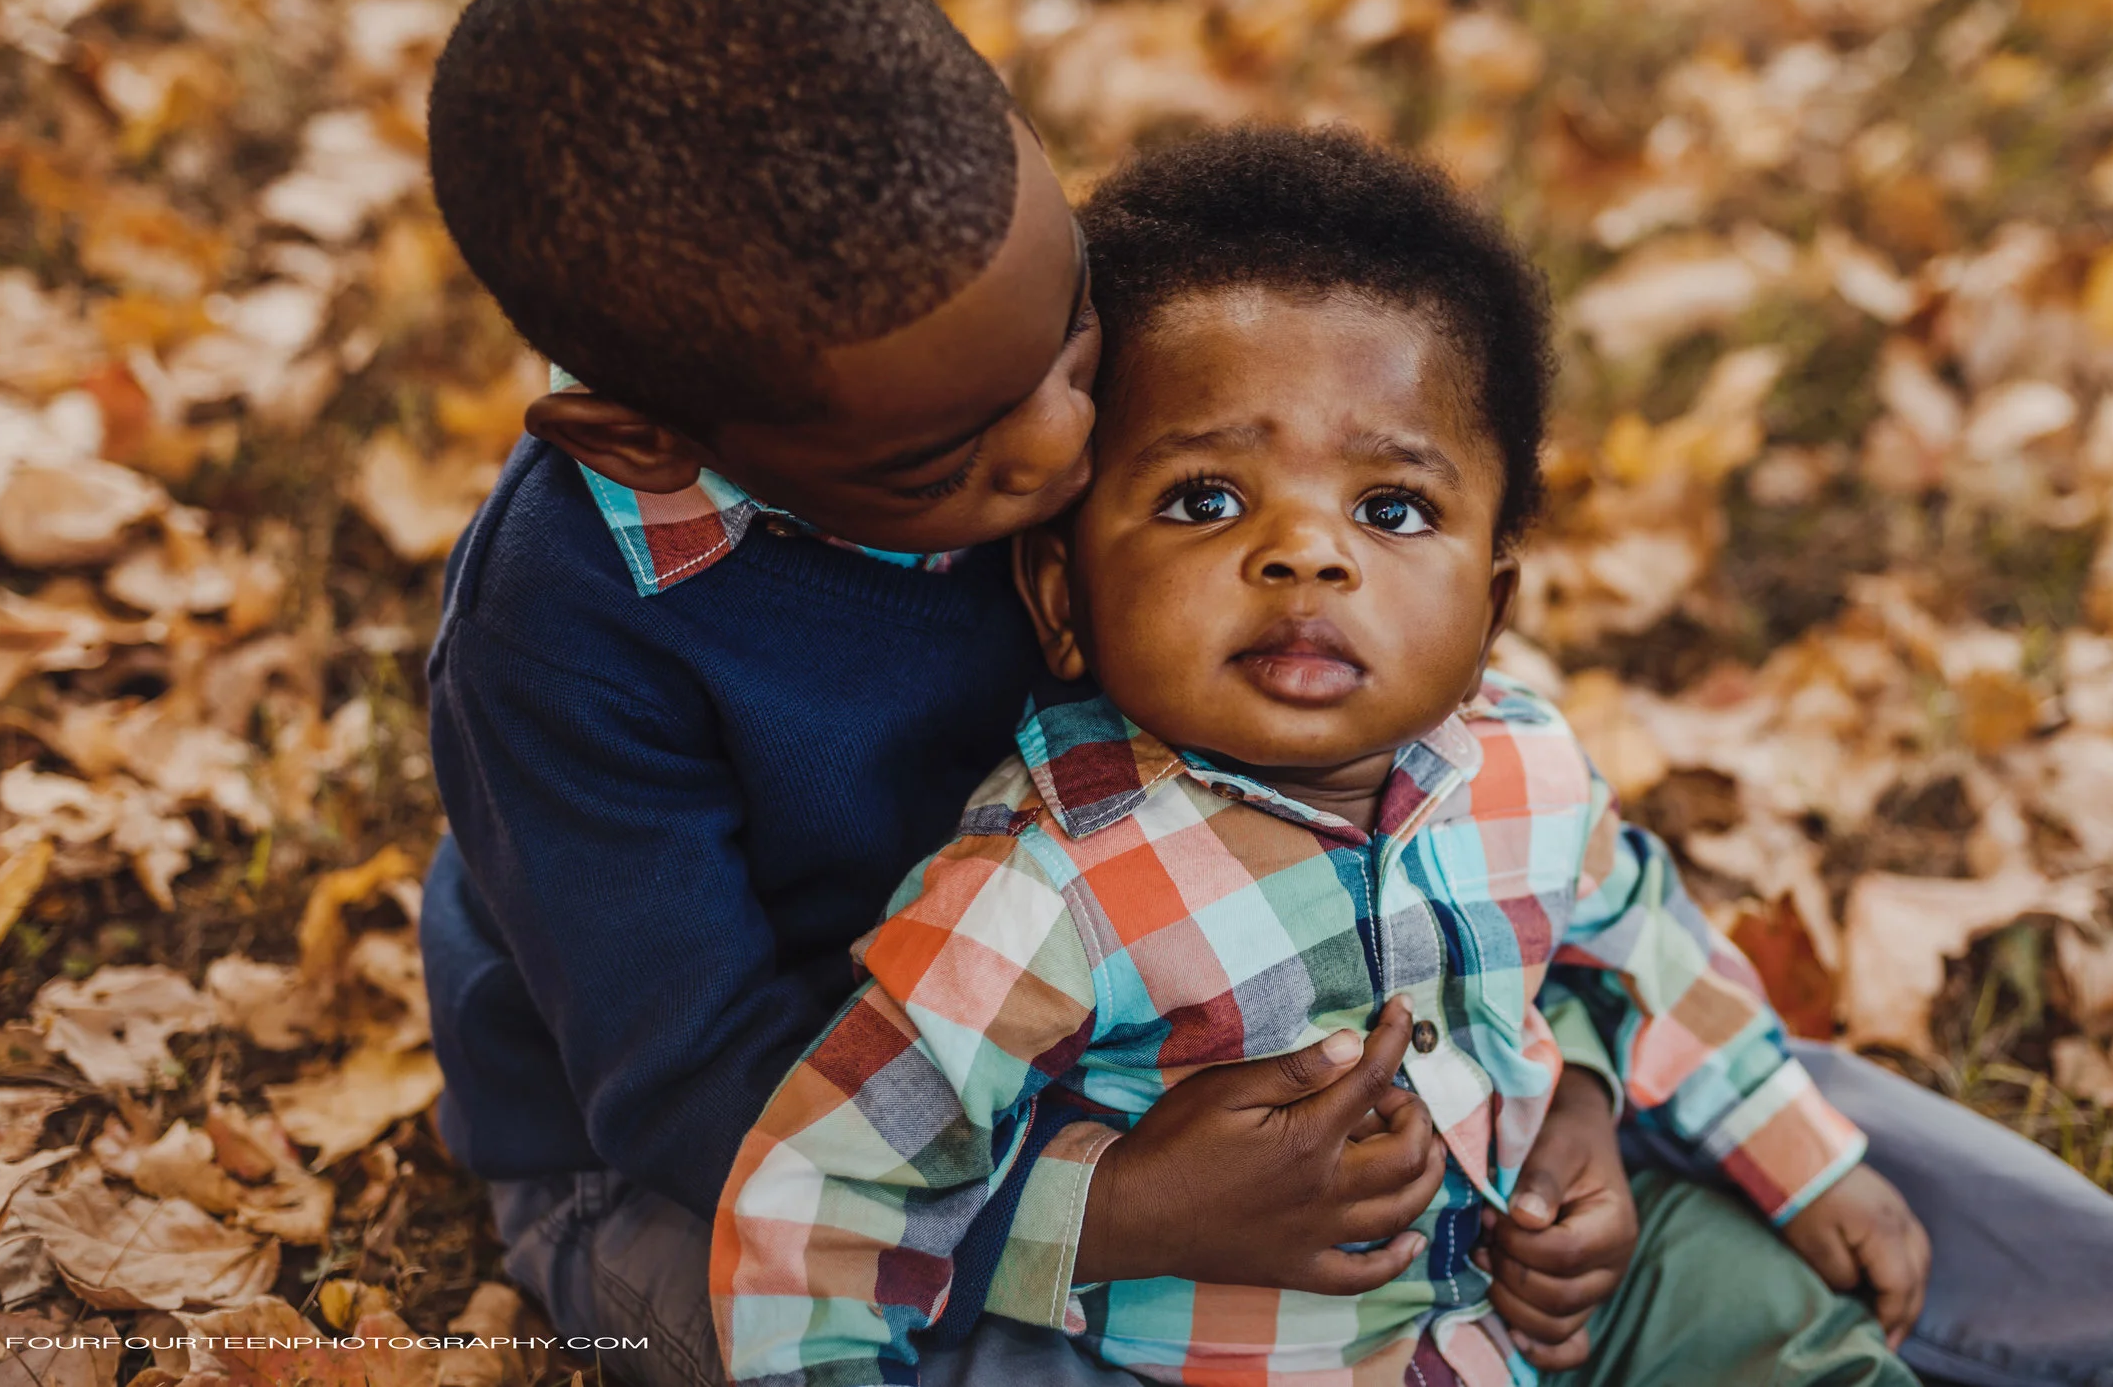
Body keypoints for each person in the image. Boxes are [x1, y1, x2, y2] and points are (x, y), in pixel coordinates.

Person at [418, 0, 2113, 1387]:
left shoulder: (974, 303)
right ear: (654, 430)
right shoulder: (567, 640)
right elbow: (697, 1090)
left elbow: (1429, 758)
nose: (1058, 448)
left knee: (1697, 1055)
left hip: (1244, 962)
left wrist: (1541, 1064)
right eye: (957, 459)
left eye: (1072, 348)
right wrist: (1111, 1208)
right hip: (772, 1140)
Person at [712, 122, 1929, 1387]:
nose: (1305, 552)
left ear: (1492, 609)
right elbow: (824, 1193)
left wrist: (1796, 1154)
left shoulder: (1527, 770)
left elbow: (1650, 958)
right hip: (1246, 1359)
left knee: (1767, 1320)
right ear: (1062, 596)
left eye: (1391, 509)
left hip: (1548, 1308)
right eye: (1206, 499)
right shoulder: (1043, 886)